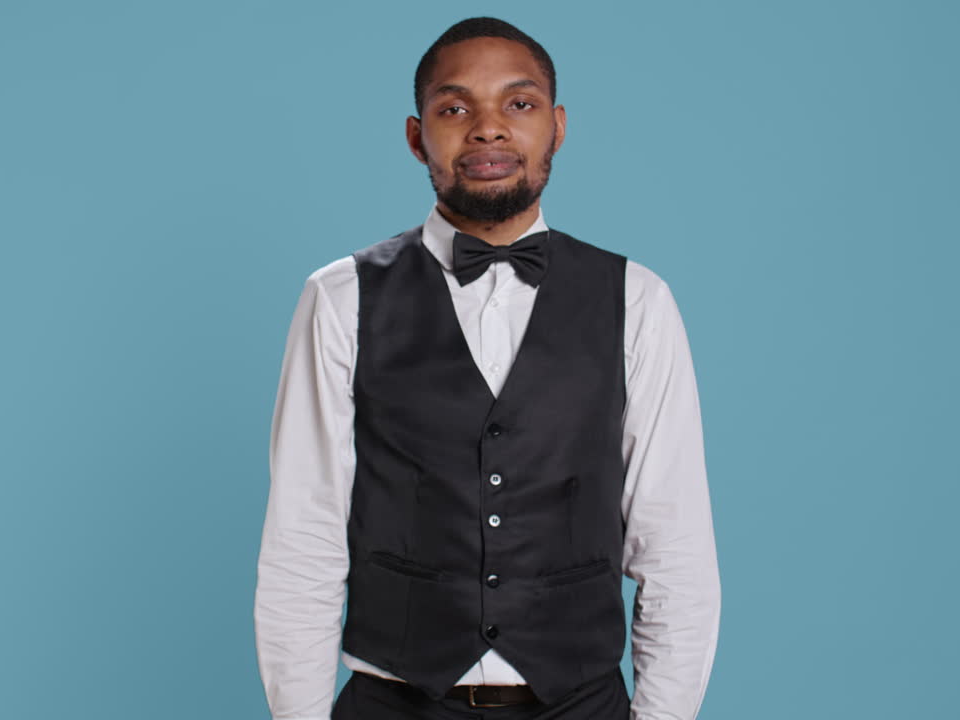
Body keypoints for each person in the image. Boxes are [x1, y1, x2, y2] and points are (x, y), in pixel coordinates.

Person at [254, 16, 721, 720]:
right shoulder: (339, 297)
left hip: (582, 705)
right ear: (417, 137)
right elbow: (303, 540)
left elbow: (675, 549)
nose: (489, 128)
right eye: (454, 108)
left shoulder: (638, 301)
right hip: (394, 702)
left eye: (520, 104)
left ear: (558, 127)